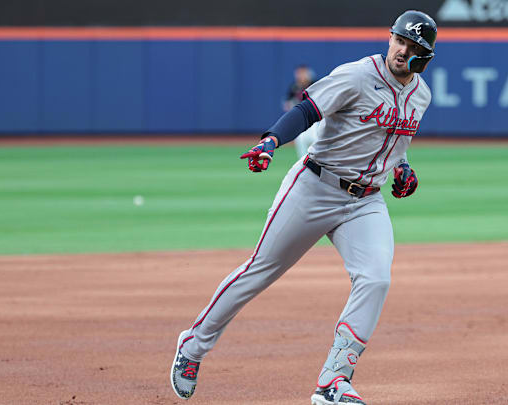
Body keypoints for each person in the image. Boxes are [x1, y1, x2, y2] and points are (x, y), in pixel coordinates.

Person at [170, 10, 437, 405]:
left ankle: (333, 381)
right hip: (314, 186)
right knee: (260, 271)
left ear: (425, 57)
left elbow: (395, 142)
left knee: (376, 279)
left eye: (413, 46)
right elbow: (307, 111)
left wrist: (403, 169)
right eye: (400, 40)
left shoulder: (422, 96)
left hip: (364, 202)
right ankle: (192, 345)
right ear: (391, 38)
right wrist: (271, 142)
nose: (403, 49)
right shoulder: (357, 75)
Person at [284, 64, 320, 159]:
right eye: (299, 73)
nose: (301, 75)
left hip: (314, 119)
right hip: (299, 119)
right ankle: (303, 164)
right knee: (301, 143)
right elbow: (287, 103)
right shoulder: (294, 87)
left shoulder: (314, 84)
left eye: (303, 72)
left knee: (316, 142)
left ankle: (319, 163)